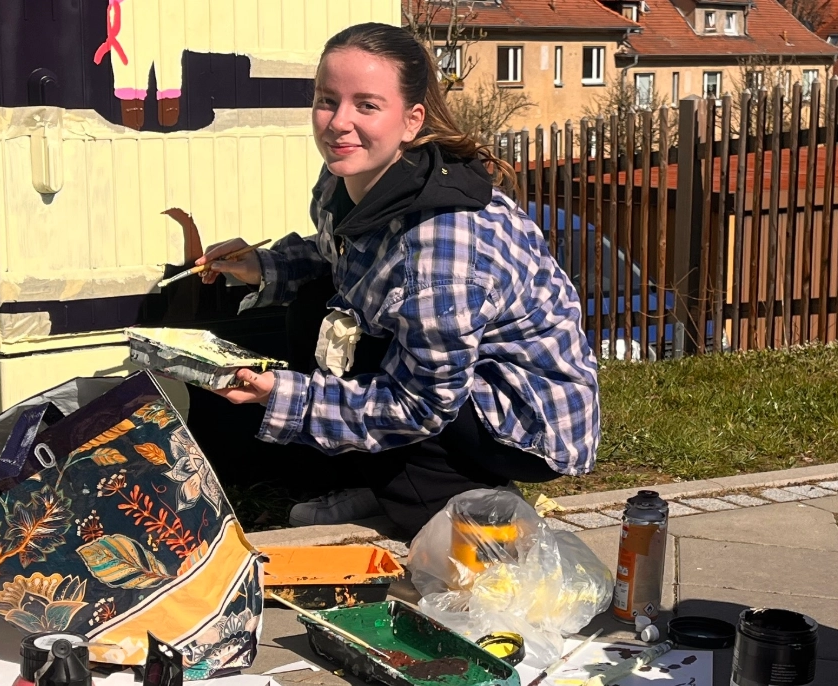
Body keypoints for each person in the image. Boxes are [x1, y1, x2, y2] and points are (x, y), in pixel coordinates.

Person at [187, 22, 599, 536]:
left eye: (366, 105)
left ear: (411, 120)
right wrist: (263, 266)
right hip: (453, 378)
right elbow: (336, 259)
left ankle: (462, 513)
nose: (339, 123)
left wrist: (284, 395)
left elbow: (420, 403)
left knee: (352, 348)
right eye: (326, 100)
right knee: (317, 309)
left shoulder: (440, 245)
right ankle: (370, 485)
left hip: (525, 421)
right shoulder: (348, 178)